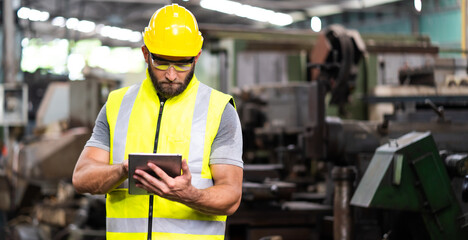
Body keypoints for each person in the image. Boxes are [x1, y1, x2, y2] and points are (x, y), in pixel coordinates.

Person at [72, 4, 243, 240]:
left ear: (197, 57)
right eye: (161, 62)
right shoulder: (117, 105)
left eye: (183, 63)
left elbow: (232, 196)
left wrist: (188, 194)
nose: (171, 75)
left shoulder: (220, 110)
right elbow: (81, 177)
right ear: (145, 54)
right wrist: (123, 170)